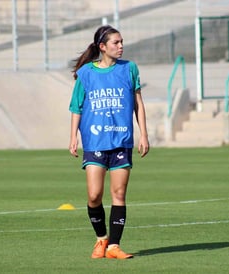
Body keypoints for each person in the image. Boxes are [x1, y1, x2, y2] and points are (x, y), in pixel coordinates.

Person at [68, 25, 150, 259]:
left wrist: (143, 134)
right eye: (116, 42)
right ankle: (101, 238)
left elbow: (138, 104)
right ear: (102, 47)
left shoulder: (129, 69)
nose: (121, 46)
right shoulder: (86, 73)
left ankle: (114, 246)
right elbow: (76, 107)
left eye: (122, 42)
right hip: (94, 141)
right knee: (94, 195)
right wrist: (73, 136)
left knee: (119, 193)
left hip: (122, 140)